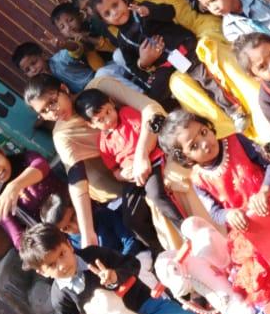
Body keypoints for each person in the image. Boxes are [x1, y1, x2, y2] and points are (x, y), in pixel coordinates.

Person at [157, 110, 270, 306]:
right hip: (253, 227)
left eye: (203, 132)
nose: (204, 142)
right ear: (186, 158)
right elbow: (215, 212)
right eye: (194, 146)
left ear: (208, 126)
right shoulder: (198, 179)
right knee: (262, 269)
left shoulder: (236, 141)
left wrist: (265, 190)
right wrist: (229, 214)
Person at [24, 73, 164, 253]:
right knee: (133, 220)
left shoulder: (100, 87)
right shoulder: (62, 135)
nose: (53, 112)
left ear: (64, 89)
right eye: (44, 111)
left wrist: (142, 154)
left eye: (52, 102)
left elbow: (151, 109)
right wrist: (87, 232)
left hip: (156, 148)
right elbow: (76, 178)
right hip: (128, 179)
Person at [90, 0, 249, 134]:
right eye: (107, 13)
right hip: (166, 65)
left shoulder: (143, 9)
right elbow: (133, 66)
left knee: (204, 77)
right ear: (105, 22)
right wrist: (143, 62)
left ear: (125, 0)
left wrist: (150, 11)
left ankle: (235, 111)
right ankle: (183, 128)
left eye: (115, 5)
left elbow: (170, 12)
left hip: (183, 49)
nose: (115, 13)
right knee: (155, 97)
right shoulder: (123, 40)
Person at [19, 224, 197, 314]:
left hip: (144, 304)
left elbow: (132, 264)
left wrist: (115, 276)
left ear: (69, 245)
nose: (62, 265)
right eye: (51, 265)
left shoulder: (94, 254)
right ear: (42, 272)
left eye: (62, 254)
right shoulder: (59, 297)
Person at [74, 89, 186, 228]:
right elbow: (115, 171)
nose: (108, 119)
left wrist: (142, 157)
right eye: (101, 120)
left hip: (152, 162)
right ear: (91, 124)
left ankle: (185, 227)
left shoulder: (127, 114)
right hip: (132, 178)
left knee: (156, 195)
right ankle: (153, 240)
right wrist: (123, 175)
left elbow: (148, 133)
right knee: (130, 219)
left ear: (112, 103)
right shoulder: (103, 143)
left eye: (108, 112)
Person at [0, 139, 67, 250]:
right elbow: (19, 240)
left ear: (1, 152)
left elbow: (42, 166)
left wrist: (14, 186)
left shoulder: (26, 159)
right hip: (59, 238)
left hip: (75, 205)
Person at [12, 41, 93, 94]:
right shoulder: (44, 85)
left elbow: (76, 49)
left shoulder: (60, 60)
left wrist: (65, 45)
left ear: (43, 55)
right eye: (28, 70)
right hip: (83, 97)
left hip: (93, 81)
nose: (33, 70)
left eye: (34, 63)